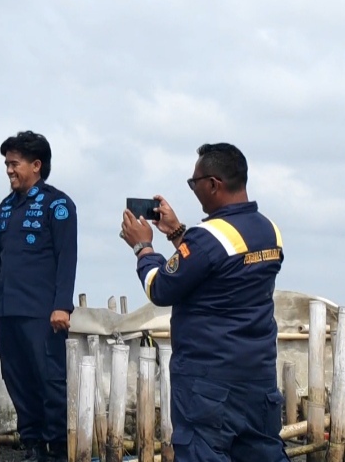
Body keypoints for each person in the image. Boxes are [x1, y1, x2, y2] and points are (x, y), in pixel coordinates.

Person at [120, 143, 288, 462]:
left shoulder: (207, 237)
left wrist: (142, 247)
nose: (193, 188)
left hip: (210, 384)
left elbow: (160, 288)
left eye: (193, 182)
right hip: (258, 377)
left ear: (213, 184)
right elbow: (217, 269)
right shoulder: (270, 231)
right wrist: (178, 233)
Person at [0, 131, 78, 462]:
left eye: (14, 163)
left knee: (50, 381)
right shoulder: (5, 207)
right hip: (8, 311)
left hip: (43, 312)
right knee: (17, 380)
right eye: (6, 164)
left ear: (36, 165)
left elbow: (67, 258)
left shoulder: (58, 204)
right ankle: (33, 444)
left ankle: (58, 448)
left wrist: (62, 306)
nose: (9, 170)